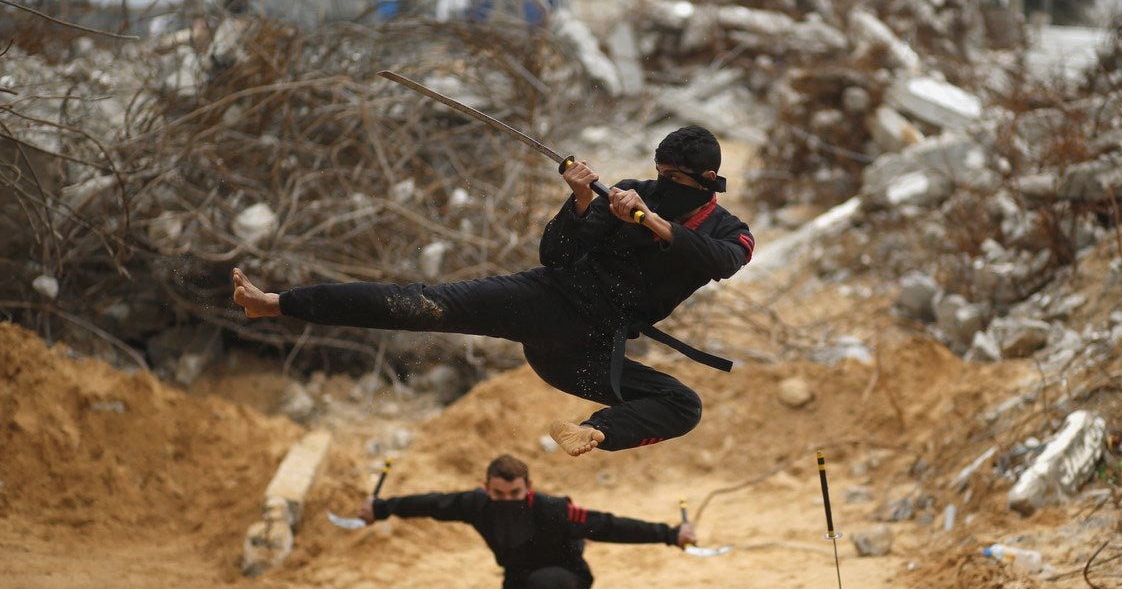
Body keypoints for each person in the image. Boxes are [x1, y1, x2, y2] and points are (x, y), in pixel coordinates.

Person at [232, 125, 754, 457]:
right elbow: (556, 255)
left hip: (587, 349)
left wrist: (656, 224)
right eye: (658, 172)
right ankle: (276, 303)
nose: (661, 183)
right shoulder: (629, 193)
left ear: (707, 179)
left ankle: (595, 432)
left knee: (682, 405)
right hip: (543, 299)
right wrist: (578, 202)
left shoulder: (729, 230)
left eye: (674, 178)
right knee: (422, 304)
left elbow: (723, 262)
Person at [356, 454, 697, 589]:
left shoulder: (553, 509)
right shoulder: (476, 505)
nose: (507, 499)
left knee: (544, 582)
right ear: (485, 487)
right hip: (519, 584)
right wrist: (382, 508)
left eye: (515, 493)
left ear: (528, 487)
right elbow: (432, 504)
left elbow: (608, 525)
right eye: (498, 493)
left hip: (568, 582)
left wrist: (669, 534)